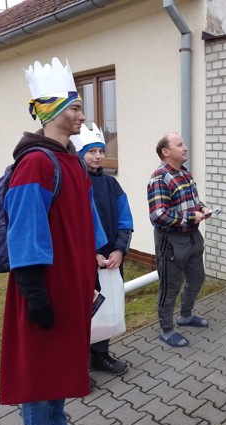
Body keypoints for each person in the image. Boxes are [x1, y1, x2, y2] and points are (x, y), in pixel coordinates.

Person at [0, 57, 107, 425]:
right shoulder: (36, 165)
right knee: (41, 383)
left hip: (70, 291)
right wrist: (36, 298)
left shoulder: (73, 163)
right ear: (52, 110)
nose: (82, 115)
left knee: (58, 377)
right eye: (75, 107)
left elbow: (86, 227)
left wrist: (91, 275)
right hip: (44, 293)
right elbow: (25, 236)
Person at [71, 123, 134, 375]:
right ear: (79, 153)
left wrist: (119, 250)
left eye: (101, 151)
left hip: (110, 258)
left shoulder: (111, 184)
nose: (98, 156)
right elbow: (73, 225)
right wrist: (90, 253)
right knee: (82, 308)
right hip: (85, 259)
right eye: (91, 151)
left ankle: (100, 354)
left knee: (106, 307)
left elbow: (125, 220)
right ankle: (77, 361)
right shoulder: (74, 184)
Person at [147, 132, 212, 348]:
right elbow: (158, 216)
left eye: (184, 144)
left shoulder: (184, 173)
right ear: (166, 152)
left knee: (197, 278)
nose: (185, 148)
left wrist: (202, 208)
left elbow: (193, 200)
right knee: (170, 287)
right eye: (179, 144)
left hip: (192, 238)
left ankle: (185, 316)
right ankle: (167, 330)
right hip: (172, 242)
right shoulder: (159, 178)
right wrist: (190, 217)